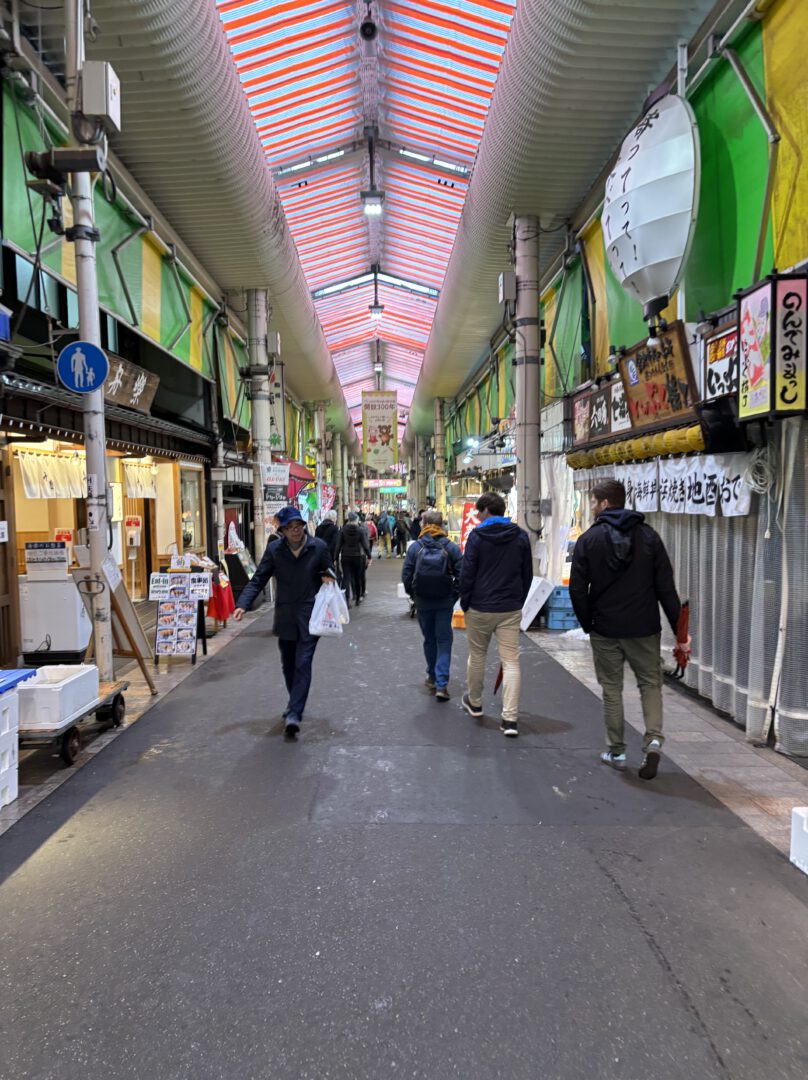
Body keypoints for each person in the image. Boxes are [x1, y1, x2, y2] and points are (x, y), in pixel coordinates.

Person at [569, 478, 688, 780]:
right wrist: (680, 633)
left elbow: (578, 590)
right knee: (650, 684)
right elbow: (666, 588)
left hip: (605, 627)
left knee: (612, 689)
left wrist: (588, 623)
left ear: (604, 503)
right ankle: (654, 740)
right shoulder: (649, 536)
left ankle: (617, 751)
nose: (591, 507)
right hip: (644, 627)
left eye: (593, 501)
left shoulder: (589, 540)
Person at [233, 505, 335, 739]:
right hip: (285, 614)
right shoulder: (275, 550)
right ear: (283, 530)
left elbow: (330, 571)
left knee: (303, 663)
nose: (295, 531)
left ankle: (295, 714)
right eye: (290, 527)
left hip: (310, 615)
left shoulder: (318, 547)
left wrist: (328, 577)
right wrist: (243, 604)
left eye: (298, 526)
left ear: (303, 526)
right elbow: (259, 578)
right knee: (288, 664)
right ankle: (294, 703)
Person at [459, 491, 532, 737]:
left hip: (480, 606)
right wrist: (518, 601)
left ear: (486, 511)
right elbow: (527, 574)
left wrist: (465, 602)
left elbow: (467, 573)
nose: (477, 517)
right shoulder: (520, 536)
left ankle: (475, 703)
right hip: (509, 608)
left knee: (477, 655)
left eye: (478, 512)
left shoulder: (477, 537)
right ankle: (510, 719)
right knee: (511, 661)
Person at [402, 509, 462, 701]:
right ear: (441, 524)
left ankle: (432, 676)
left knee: (429, 639)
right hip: (444, 601)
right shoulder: (451, 547)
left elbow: (406, 575)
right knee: (444, 640)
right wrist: (453, 596)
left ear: (424, 524)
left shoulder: (416, 548)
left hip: (422, 601)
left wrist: (414, 595)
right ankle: (442, 685)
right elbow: (462, 575)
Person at [336, 511, 371, 607]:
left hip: (345, 556)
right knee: (357, 577)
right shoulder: (360, 530)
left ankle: (346, 600)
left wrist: (335, 557)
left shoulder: (343, 530)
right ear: (356, 520)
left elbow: (338, 545)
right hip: (357, 557)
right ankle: (358, 599)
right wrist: (369, 556)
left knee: (346, 578)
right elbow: (365, 545)